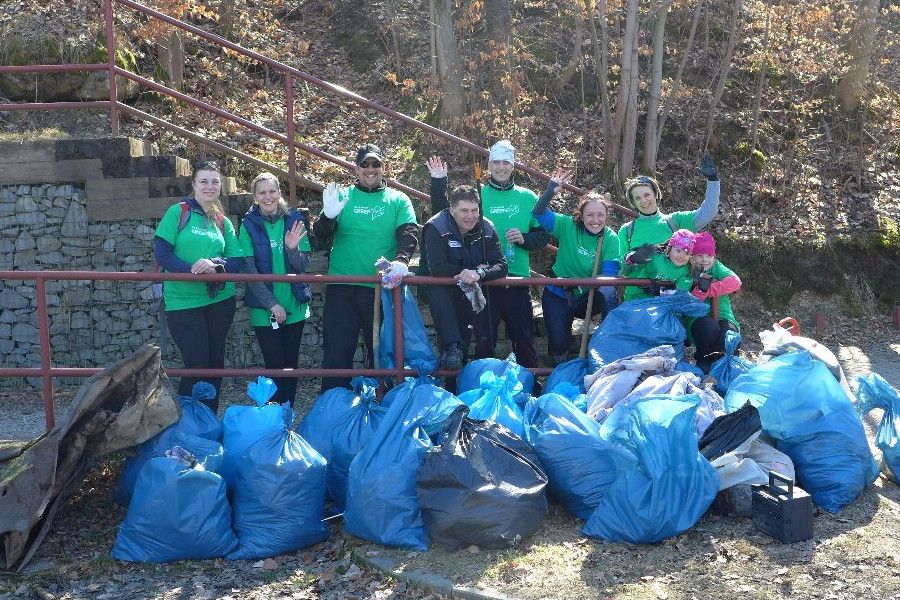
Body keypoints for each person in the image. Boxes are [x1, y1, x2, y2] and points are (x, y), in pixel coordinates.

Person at [312, 143, 419, 392]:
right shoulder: (342, 196)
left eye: (375, 164)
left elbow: (409, 232)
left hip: (380, 289)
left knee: (381, 353)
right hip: (343, 287)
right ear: (356, 168)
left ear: (384, 168)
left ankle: (382, 406)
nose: (370, 169)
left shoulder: (397, 199)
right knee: (337, 352)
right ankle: (334, 408)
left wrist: (402, 261)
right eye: (365, 164)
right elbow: (319, 236)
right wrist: (327, 217)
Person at [153, 160, 243, 412]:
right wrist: (193, 270)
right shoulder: (178, 212)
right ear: (193, 184)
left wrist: (215, 265)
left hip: (220, 300)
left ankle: (208, 423)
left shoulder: (222, 221)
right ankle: (187, 424)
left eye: (215, 181)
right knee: (197, 365)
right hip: (183, 302)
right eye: (203, 181)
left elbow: (237, 259)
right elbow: (163, 253)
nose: (209, 186)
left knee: (215, 365)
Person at [423, 156, 507, 370]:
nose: (470, 216)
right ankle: (453, 348)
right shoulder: (436, 226)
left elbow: (501, 265)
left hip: (473, 285)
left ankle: (479, 358)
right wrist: (466, 272)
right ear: (452, 210)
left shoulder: (486, 227)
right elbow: (438, 268)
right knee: (440, 290)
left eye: (474, 211)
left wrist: (478, 274)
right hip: (441, 286)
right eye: (464, 211)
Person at [472, 140, 551, 367]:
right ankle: (478, 388)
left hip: (517, 279)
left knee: (524, 341)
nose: (501, 167)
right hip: (485, 280)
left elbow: (544, 235)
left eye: (506, 162)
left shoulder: (527, 197)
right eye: (495, 162)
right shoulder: (477, 195)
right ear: (488, 165)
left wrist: (524, 239)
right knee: (484, 342)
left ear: (513, 165)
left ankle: (530, 386)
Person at [237, 172, 312, 407]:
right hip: (264, 308)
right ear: (255, 196)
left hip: (294, 303)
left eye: (272, 191)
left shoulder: (295, 219)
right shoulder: (247, 225)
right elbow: (249, 271)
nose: (268, 196)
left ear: (279, 192)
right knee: (274, 364)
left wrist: (292, 249)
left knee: (291, 364)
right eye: (262, 192)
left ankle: (287, 416)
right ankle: (273, 416)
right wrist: (272, 303)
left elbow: (303, 265)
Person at [532, 169, 620, 364]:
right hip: (558, 294)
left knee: (608, 291)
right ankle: (560, 372)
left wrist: (594, 283)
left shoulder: (610, 238)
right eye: (590, 215)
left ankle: (610, 343)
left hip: (587, 297)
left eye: (600, 215)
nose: (595, 220)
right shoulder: (567, 225)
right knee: (559, 344)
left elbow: (610, 274)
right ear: (581, 215)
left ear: (606, 215)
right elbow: (538, 213)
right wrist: (550, 192)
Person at [618, 155, 720, 297]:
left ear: (655, 194)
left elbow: (708, 212)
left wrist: (713, 181)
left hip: (668, 299)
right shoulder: (627, 230)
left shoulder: (674, 221)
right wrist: (632, 258)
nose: (643, 201)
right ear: (633, 202)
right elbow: (621, 271)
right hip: (635, 298)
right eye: (637, 198)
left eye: (647, 194)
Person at [686, 231, 742, 373]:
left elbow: (735, 282)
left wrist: (710, 289)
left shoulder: (717, 266)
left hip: (723, 314)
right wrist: (699, 291)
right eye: (699, 255)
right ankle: (703, 360)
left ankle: (726, 368)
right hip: (697, 316)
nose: (705, 260)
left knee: (730, 335)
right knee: (709, 327)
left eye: (709, 255)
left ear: (714, 256)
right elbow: (689, 301)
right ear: (692, 256)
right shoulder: (687, 269)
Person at [621, 229, 696, 301]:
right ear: (669, 249)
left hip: (663, 304)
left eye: (687, 253)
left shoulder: (686, 271)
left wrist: (661, 292)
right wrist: (632, 259)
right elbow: (624, 272)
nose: (681, 256)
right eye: (678, 250)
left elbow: (681, 292)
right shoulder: (654, 256)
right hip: (637, 298)